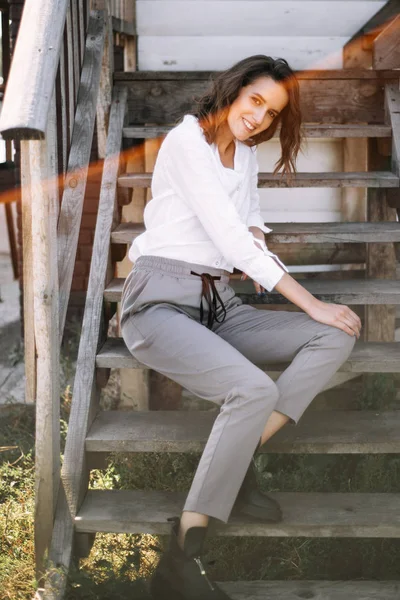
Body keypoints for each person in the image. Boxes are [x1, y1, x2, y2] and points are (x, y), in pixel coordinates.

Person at [120, 55, 361, 600]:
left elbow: (247, 223)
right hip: (160, 301)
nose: (259, 117)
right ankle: (182, 555)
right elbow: (230, 240)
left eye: (272, 112)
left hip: (220, 302)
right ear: (233, 90)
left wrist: (257, 246)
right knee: (254, 386)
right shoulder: (189, 142)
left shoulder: (244, 154)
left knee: (336, 335)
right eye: (255, 100)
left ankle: (235, 459)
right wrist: (310, 301)